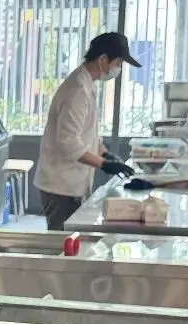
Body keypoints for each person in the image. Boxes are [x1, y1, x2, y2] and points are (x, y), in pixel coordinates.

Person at [35, 32, 140, 230]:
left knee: (72, 238)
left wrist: (104, 153)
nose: (118, 69)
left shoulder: (86, 84)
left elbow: (87, 134)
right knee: (63, 241)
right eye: (118, 63)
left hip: (71, 183)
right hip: (61, 185)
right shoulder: (77, 90)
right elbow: (68, 143)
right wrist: (104, 164)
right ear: (103, 60)